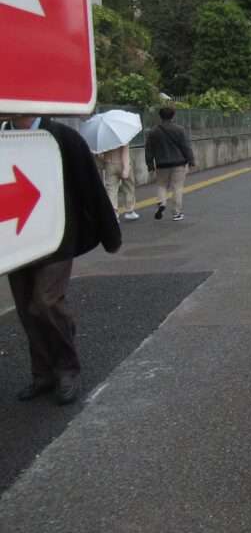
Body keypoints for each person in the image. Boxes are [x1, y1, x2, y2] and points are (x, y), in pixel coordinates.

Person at [6, 115, 122, 405]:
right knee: (25, 308)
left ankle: (67, 368)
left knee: (45, 301)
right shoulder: (3, 138)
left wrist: (110, 234)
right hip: (14, 238)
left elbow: (90, 184)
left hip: (56, 236)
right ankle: (43, 373)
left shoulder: (63, 137)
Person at [145, 106, 195, 222]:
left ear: (160, 116)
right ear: (173, 116)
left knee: (161, 185)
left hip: (161, 164)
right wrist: (191, 160)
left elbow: (149, 150)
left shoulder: (153, 131)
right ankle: (177, 213)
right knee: (177, 187)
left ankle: (162, 203)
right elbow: (185, 147)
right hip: (178, 163)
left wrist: (150, 165)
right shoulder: (179, 129)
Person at [96, 141, 139, 220]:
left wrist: (106, 160)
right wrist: (126, 168)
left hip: (109, 166)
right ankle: (130, 211)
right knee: (128, 187)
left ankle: (114, 213)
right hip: (123, 164)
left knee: (111, 190)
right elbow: (125, 153)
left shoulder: (105, 139)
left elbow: (99, 155)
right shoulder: (123, 137)